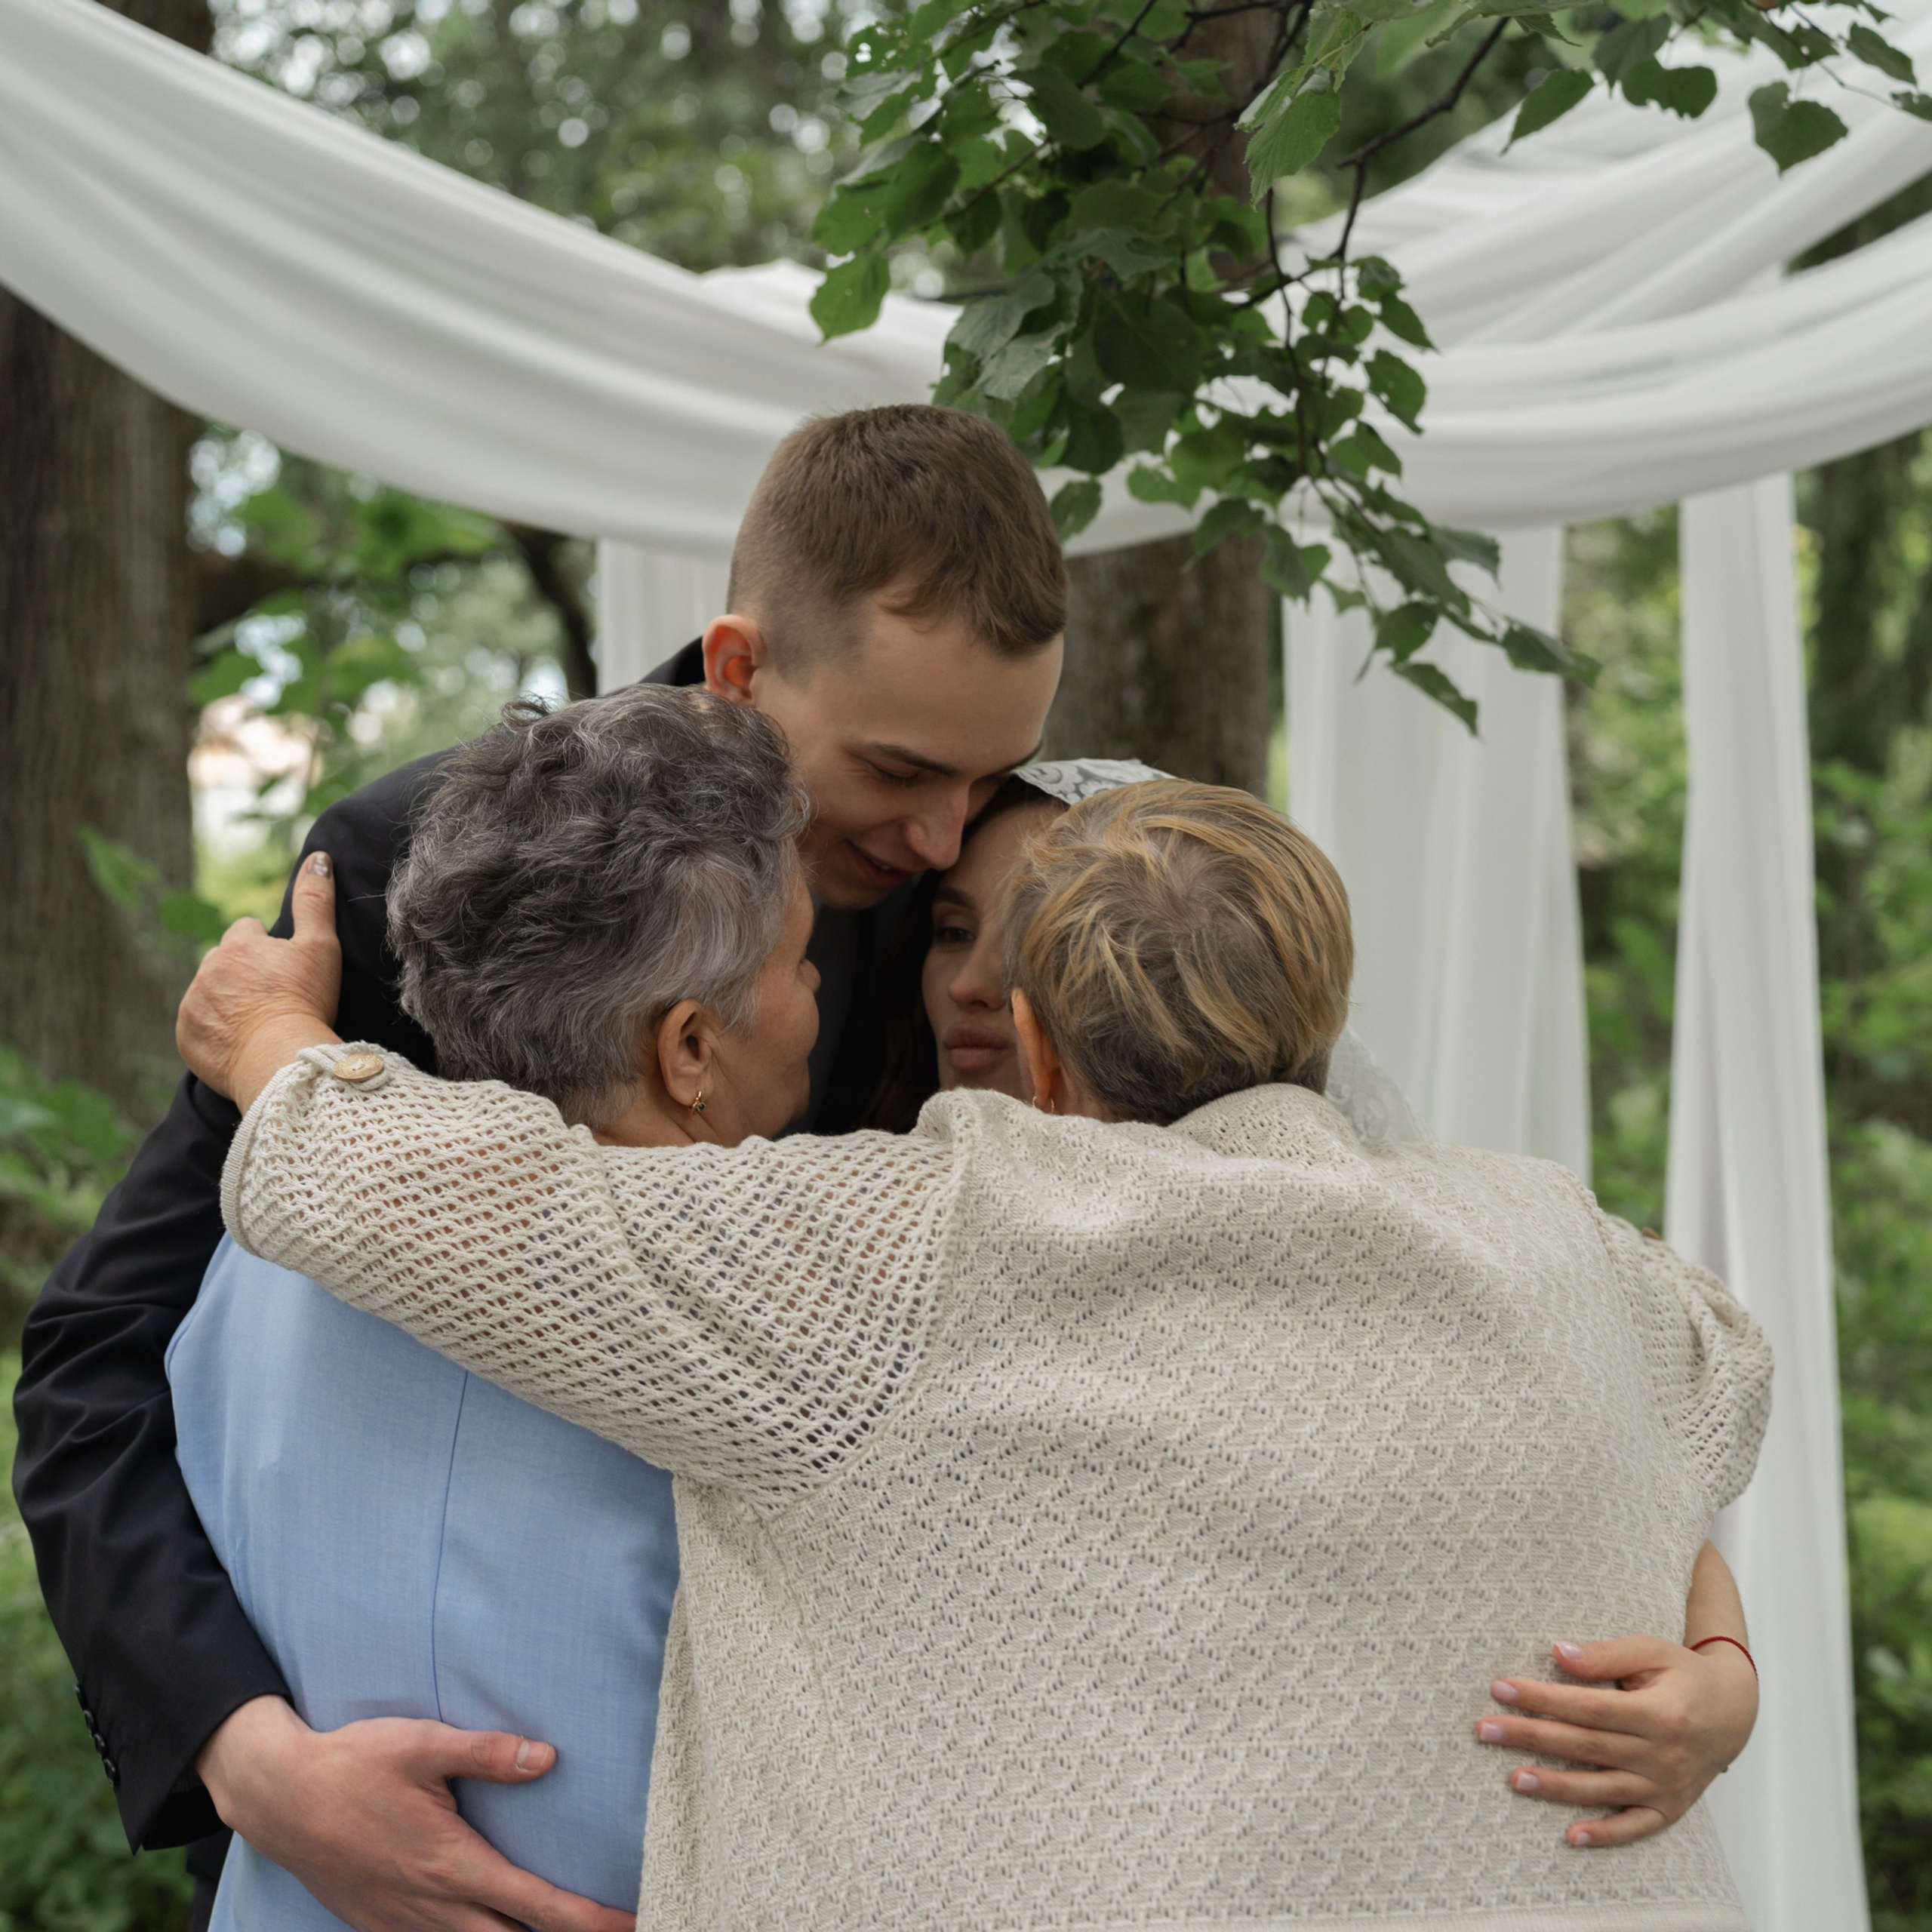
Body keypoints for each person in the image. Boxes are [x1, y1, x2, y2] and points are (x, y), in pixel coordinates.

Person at [179, 780, 1773, 1932]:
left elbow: (403, 1193)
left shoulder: (896, 1247)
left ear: (1045, 1048)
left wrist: (265, 1028)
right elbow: (1710, 1396)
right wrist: (1722, 1671)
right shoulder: (1571, 1253)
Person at [11, 403, 1066, 1932]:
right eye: (899, 767)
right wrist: (253, 1759)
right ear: (735, 667)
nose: (942, 833)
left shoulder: (1006, 882)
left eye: (994, 771)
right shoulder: (421, 861)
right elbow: (101, 1356)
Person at [167, 687, 814, 1931]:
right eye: (801, 958)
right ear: (687, 1050)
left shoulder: (251, 1259)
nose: (823, 988)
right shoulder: (756, 1307)